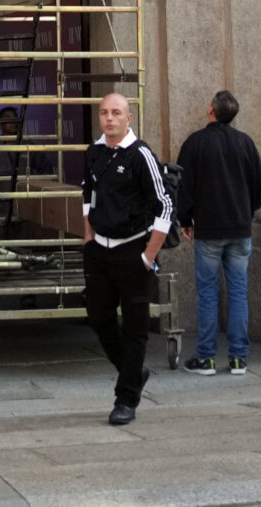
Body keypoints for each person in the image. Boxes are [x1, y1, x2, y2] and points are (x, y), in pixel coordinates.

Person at [80, 91, 172, 426]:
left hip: (133, 250)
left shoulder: (140, 154)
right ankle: (134, 372)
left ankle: (126, 398)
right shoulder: (94, 152)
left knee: (135, 328)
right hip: (99, 250)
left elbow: (165, 205)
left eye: (116, 112)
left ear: (128, 118)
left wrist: (149, 255)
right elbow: (87, 196)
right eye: (104, 112)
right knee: (99, 317)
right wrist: (88, 236)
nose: (109, 118)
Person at [176, 89, 261, 375]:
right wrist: (247, 211)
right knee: (239, 291)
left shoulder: (195, 143)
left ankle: (206, 357)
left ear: (210, 110)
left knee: (208, 293)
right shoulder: (246, 143)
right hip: (240, 229)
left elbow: (183, 185)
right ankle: (239, 358)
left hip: (209, 230)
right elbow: (259, 184)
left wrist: (185, 219)